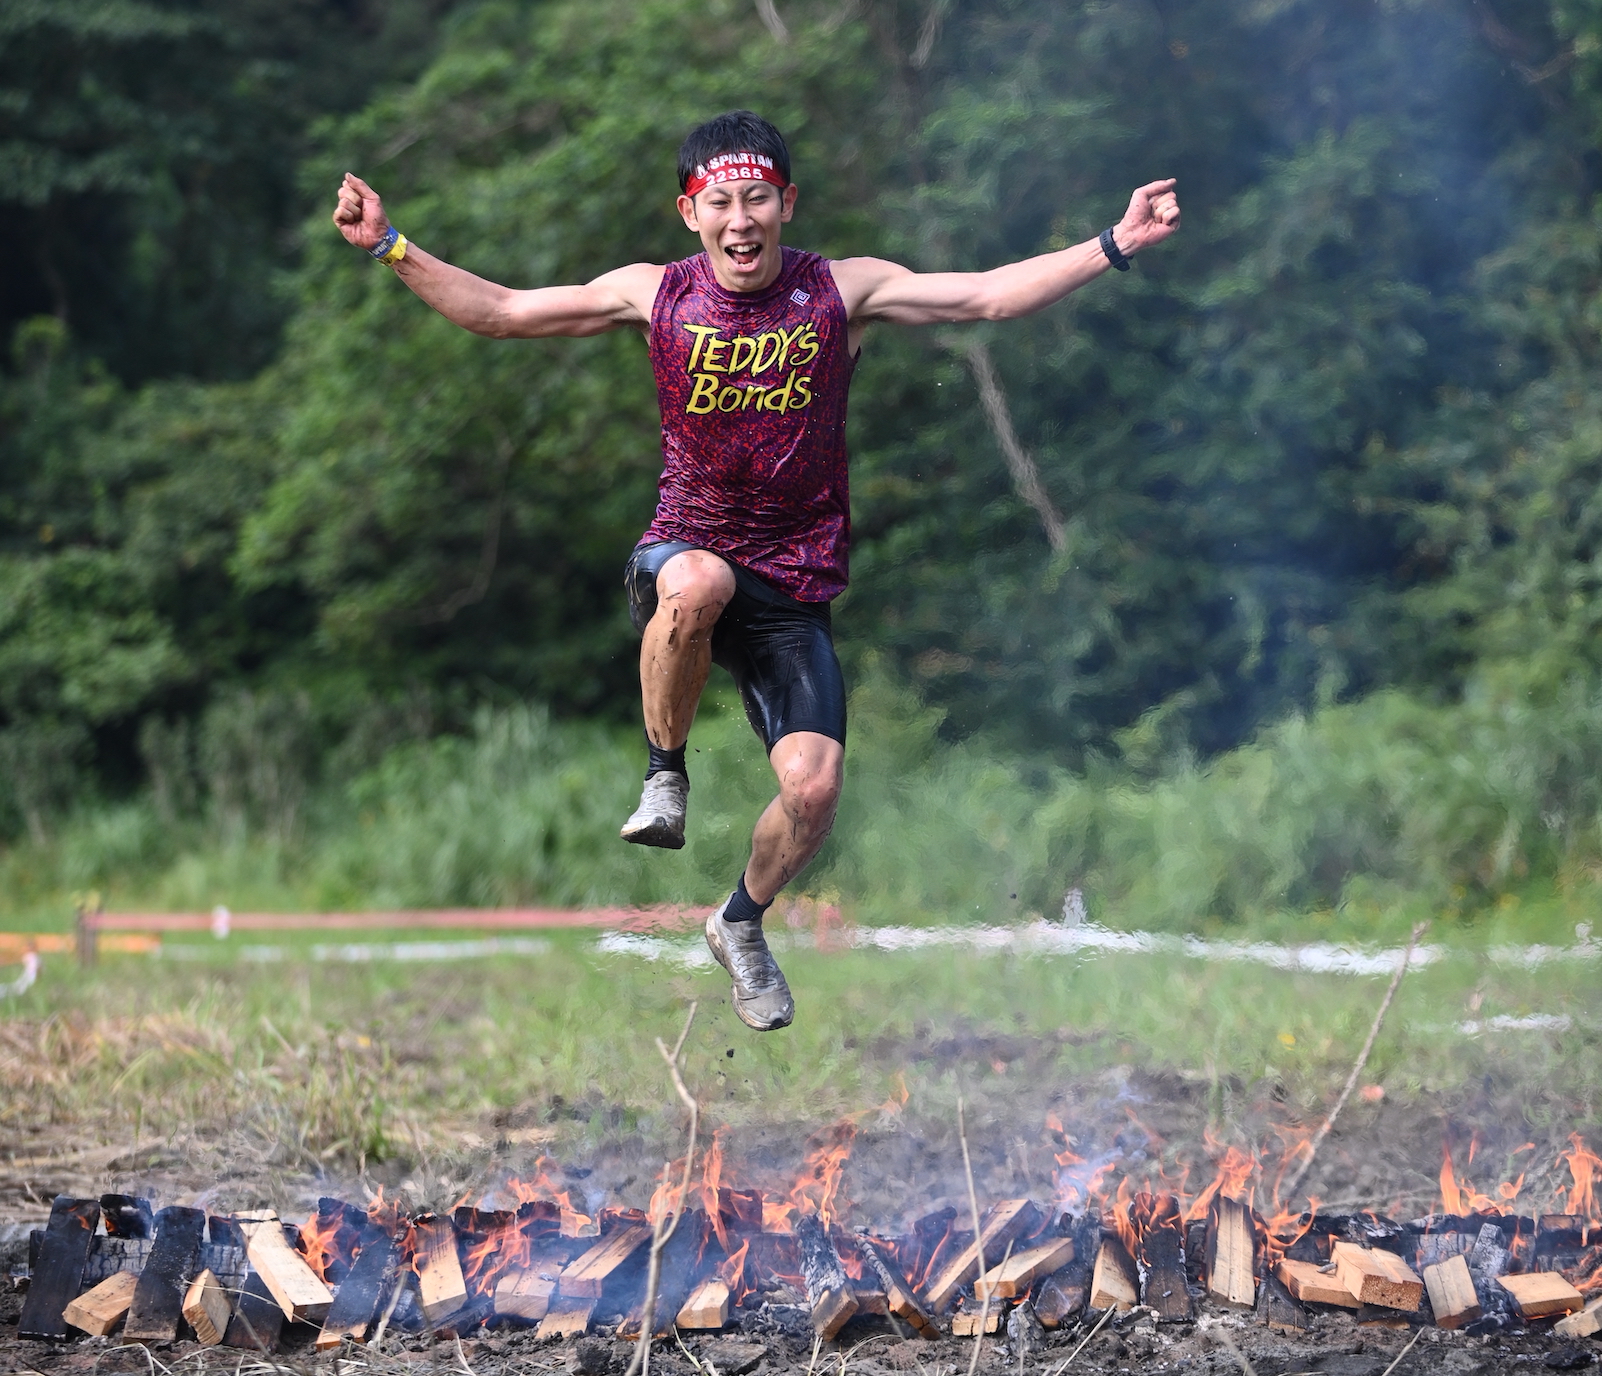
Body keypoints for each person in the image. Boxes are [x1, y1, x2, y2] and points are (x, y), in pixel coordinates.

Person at [332, 109, 1180, 1033]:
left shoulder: (841, 292)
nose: (741, 219)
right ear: (690, 213)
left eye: (758, 199)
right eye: (721, 202)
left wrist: (1115, 242)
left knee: (814, 791)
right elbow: (499, 312)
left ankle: (740, 922)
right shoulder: (651, 293)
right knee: (700, 584)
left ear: (786, 204)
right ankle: (665, 776)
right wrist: (390, 246)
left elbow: (982, 297)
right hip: (685, 553)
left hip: (794, 583)